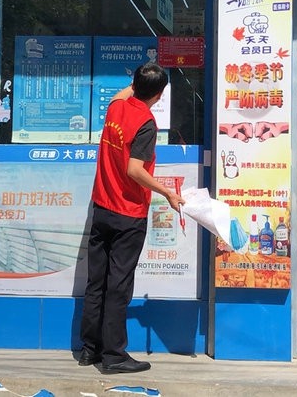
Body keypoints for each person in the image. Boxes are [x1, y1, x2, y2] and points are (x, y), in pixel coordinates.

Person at [78, 63, 184, 374]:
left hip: (102, 208)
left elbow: (121, 94)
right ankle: (113, 356)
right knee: (119, 286)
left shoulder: (116, 108)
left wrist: (137, 83)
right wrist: (168, 193)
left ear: (133, 85)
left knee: (97, 282)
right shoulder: (146, 124)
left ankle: (89, 350)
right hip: (127, 213)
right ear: (160, 95)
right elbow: (134, 170)